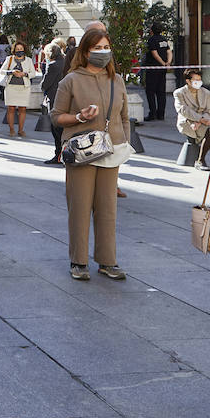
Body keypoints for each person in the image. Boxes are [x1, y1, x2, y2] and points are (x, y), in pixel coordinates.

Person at [52, 29, 132, 282]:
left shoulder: (117, 80)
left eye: (106, 47)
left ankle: (108, 261)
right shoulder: (71, 80)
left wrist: (124, 144)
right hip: (82, 152)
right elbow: (56, 117)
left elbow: (124, 116)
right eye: (97, 48)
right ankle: (79, 260)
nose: (103, 52)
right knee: (80, 207)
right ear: (85, 52)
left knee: (108, 209)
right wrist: (79, 117)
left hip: (110, 150)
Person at [0, 42, 40, 137]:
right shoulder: (9, 59)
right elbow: (1, 71)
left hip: (24, 88)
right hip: (11, 87)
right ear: (14, 50)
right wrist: (11, 72)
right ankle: (11, 129)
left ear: (24, 49)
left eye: (21, 49)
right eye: (17, 49)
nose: (19, 50)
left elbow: (33, 73)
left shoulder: (28, 60)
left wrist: (24, 74)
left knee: (22, 109)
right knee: (11, 108)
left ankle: (21, 130)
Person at [174, 68, 210, 169]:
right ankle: (199, 160)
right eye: (196, 80)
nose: (198, 82)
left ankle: (200, 160)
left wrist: (201, 121)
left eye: (200, 80)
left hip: (202, 121)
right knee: (199, 128)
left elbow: (208, 110)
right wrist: (199, 120)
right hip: (187, 120)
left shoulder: (206, 92)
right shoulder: (179, 93)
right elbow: (183, 110)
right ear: (188, 81)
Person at [40, 41, 69, 165]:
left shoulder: (52, 65)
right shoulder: (65, 62)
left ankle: (59, 154)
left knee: (56, 128)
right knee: (62, 129)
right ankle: (63, 154)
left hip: (55, 99)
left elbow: (45, 84)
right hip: (67, 99)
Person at [142, 23, 172, 121]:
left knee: (150, 91)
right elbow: (169, 52)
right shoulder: (164, 39)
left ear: (152, 30)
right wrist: (168, 63)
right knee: (161, 92)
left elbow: (154, 54)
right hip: (162, 70)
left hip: (153, 69)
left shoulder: (151, 40)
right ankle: (161, 114)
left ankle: (152, 114)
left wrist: (162, 63)